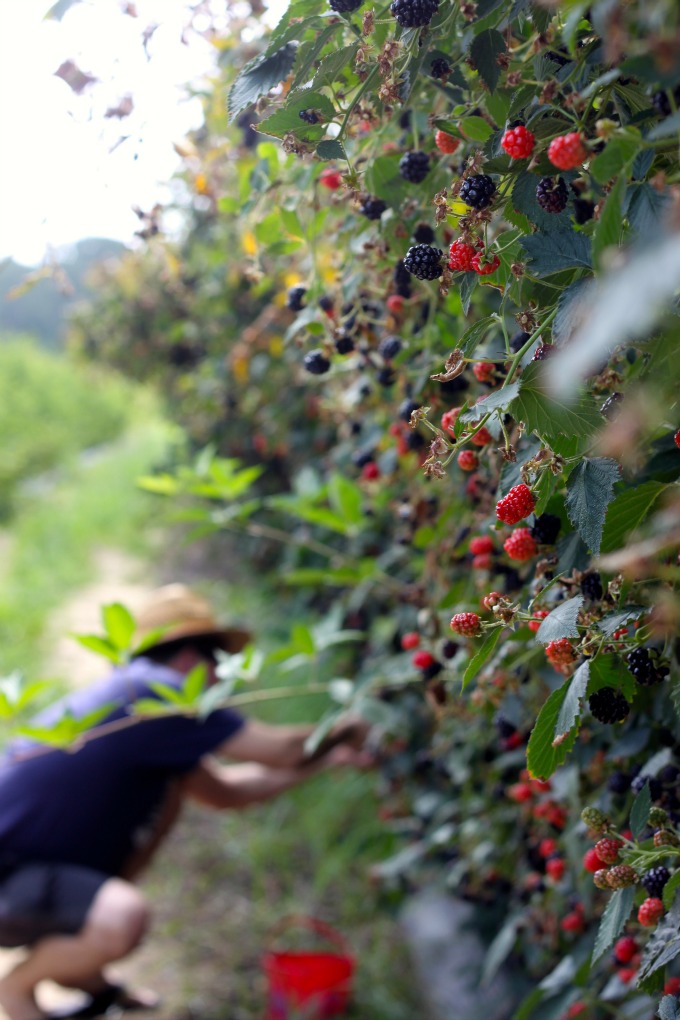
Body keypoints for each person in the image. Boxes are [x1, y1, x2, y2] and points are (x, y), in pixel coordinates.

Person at [0, 585, 371, 1020]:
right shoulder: (156, 693)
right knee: (121, 916)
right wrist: (353, 724)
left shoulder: (144, 712)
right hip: (12, 874)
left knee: (105, 911)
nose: (223, 680)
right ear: (192, 659)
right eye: (219, 664)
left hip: (30, 873)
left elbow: (226, 792)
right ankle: (17, 990)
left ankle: (94, 987)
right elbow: (284, 750)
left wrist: (328, 761)